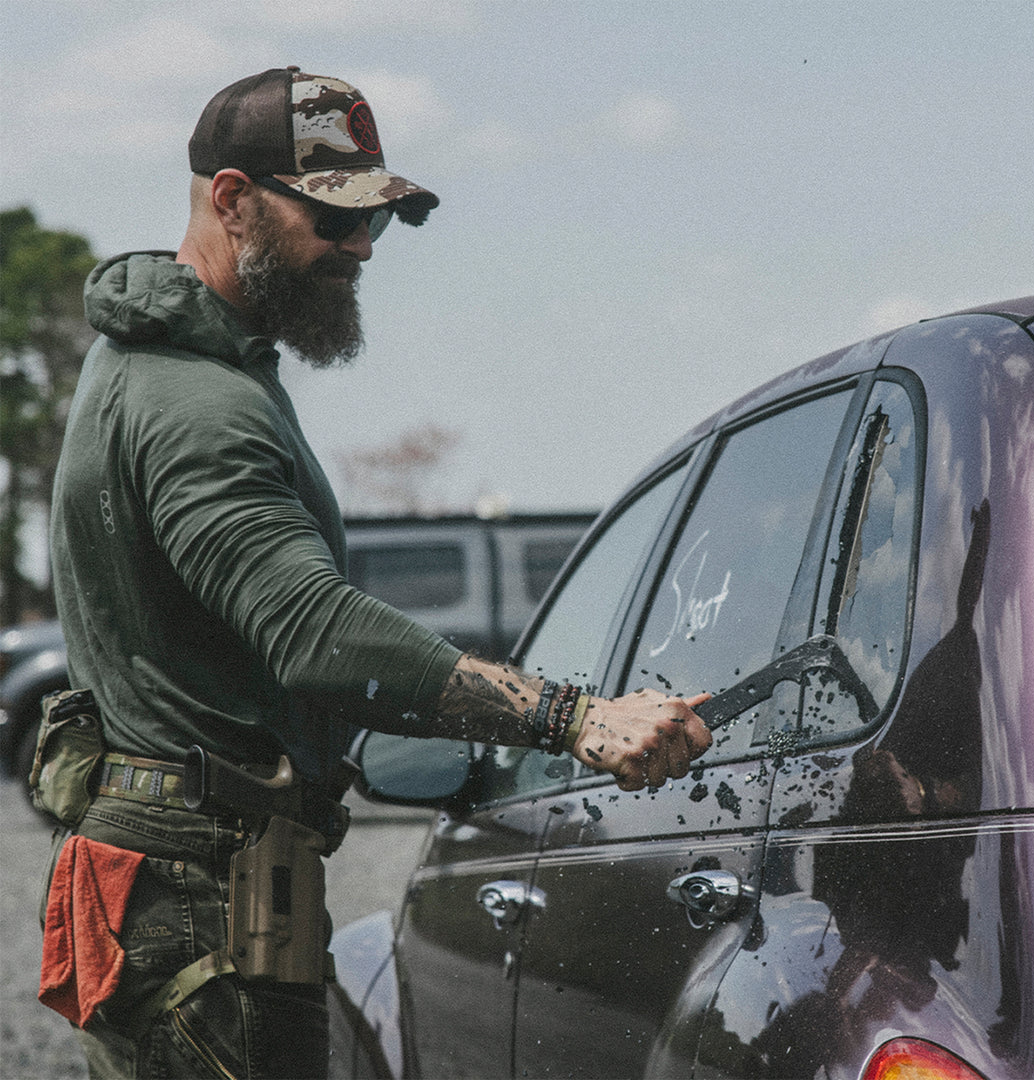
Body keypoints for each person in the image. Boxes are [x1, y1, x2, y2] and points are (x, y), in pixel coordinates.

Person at [40, 68, 712, 1079]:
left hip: (208, 869)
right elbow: (315, 633)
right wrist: (578, 718)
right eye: (332, 219)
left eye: (375, 226)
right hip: (199, 890)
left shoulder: (165, 363)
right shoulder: (197, 407)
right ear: (231, 199)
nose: (358, 249)